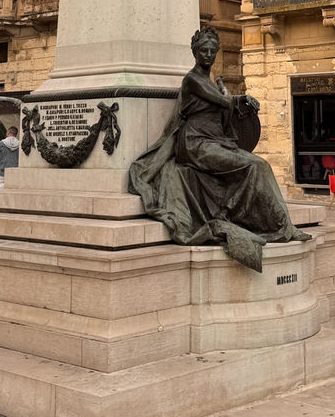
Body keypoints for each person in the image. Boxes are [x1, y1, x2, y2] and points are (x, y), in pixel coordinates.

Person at [129, 26, 311, 271]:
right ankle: (275, 225)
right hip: (195, 144)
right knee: (253, 164)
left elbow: (224, 104)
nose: (207, 54)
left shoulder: (210, 81)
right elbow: (222, 101)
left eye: (212, 50)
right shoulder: (192, 80)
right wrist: (239, 99)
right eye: (203, 49)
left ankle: (278, 225)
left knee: (259, 165)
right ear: (194, 52)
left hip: (214, 141)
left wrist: (234, 99)